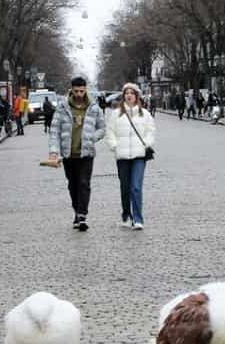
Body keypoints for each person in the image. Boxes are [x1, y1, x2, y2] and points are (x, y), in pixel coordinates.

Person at [48, 76, 106, 231]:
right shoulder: (62, 107)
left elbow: (102, 128)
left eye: (82, 91)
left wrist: (92, 138)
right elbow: (54, 131)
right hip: (69, 154)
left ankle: (82, 215)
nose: (79, 94)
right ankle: (76, 211)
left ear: (85, 89)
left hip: (86, 153)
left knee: (84, 183)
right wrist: (53, 152)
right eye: (76, 91)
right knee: (73, 185)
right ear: (71, 90)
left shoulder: (94, 107)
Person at [107, 82, 156, 230]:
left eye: (132, 93)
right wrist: (114, 146)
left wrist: (146, 144)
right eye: (126, 93)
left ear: (136, 96)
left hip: (139, 155)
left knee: (136, 187)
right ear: (123, 96)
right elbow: (110, 131)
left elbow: (151, 131)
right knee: (125, 187)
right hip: (122, 155)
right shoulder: (116, 114)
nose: (129, 95)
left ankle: (138, 218)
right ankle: (126, 215)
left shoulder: (145, 114)